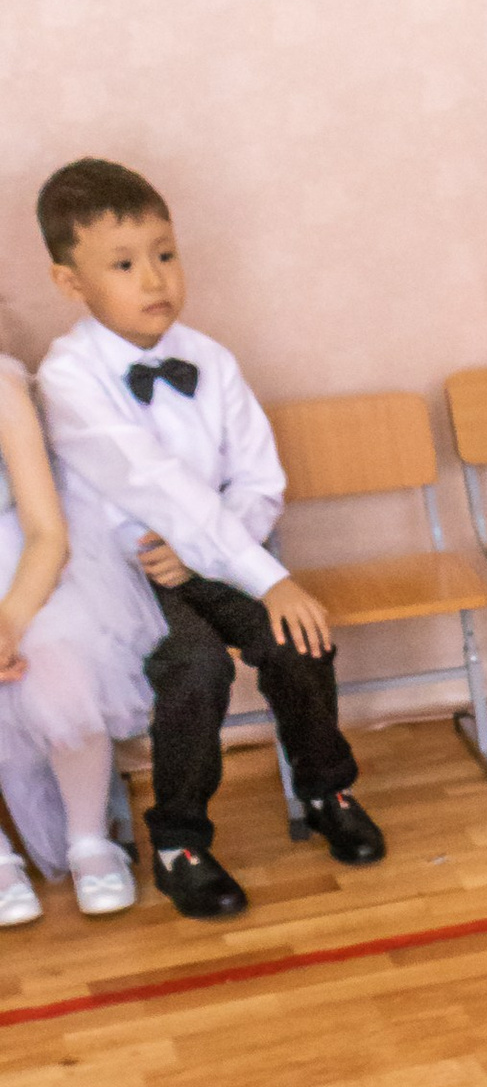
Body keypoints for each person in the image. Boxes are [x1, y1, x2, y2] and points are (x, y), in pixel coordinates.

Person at [34, 159, 384, 920]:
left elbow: (259, 480)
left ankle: (327, 789)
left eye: (165, 253)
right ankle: (179, 840)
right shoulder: (68, 378)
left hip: (215, 552)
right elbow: (154, 483)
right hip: (125, 575)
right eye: (124, 265)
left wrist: (231, 563)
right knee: (193, 669)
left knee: (299, 638)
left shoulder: (212, 360)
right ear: (70, 283)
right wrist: (262, 574)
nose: (154, 278)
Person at [0, 352, 154, 923]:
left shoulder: (2, 389)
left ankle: (89, 839)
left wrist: (10, 622)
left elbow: (46, 532)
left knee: (62, 678)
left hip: (27, 569)